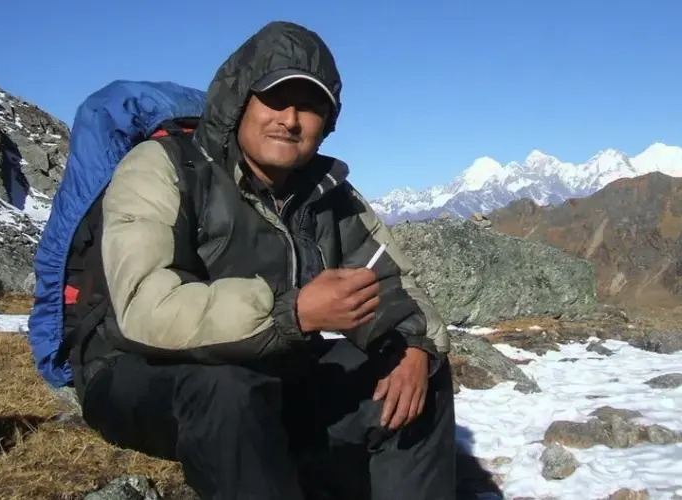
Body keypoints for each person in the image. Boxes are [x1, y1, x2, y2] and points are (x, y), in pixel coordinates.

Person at [69, 20, 457, 500]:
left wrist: (413, 345)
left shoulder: (327, 194)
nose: (290, 119)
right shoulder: (162, 167)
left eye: (311, 106)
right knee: (227, 390)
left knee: (418, 374)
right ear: (239, 100)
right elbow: (144, 309)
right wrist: (291, 313)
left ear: (328, 123)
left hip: (271, 367)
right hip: (134, 372)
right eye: (275, 98)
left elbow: (391, 281)